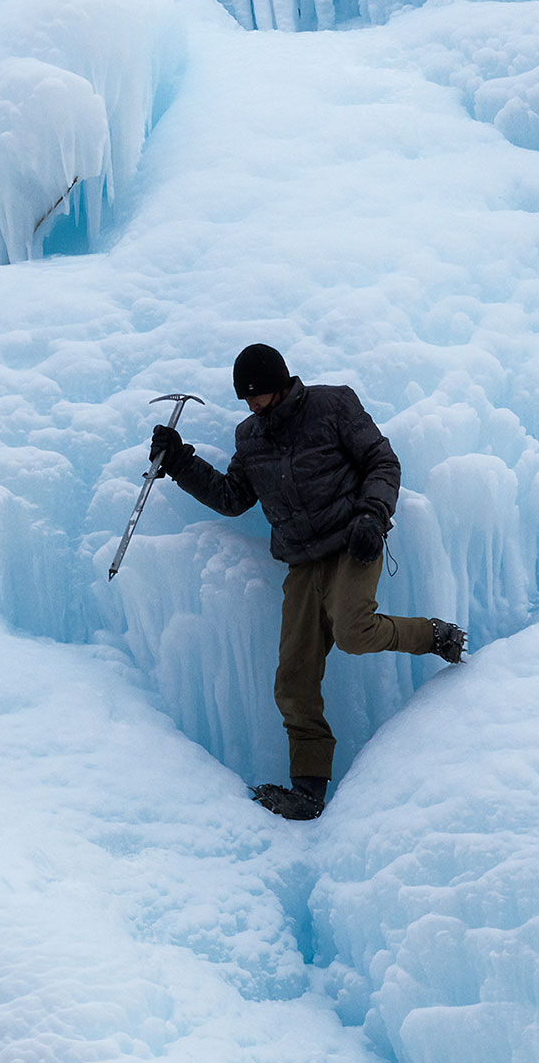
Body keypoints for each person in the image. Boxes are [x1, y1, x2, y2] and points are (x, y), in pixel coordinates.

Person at [151, 342, 465, 821]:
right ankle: (308, 791)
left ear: (280, 383)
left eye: (257, 396)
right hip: (301, 562)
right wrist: (180, 465)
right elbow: (234, 497)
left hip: (353, 540)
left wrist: (373, 514)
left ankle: (434, 634)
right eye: (245, 400)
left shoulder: (333, 404)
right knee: (293, 681)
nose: (251, 406)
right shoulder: (249, 437)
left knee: (354, 631)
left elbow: (383, 462)